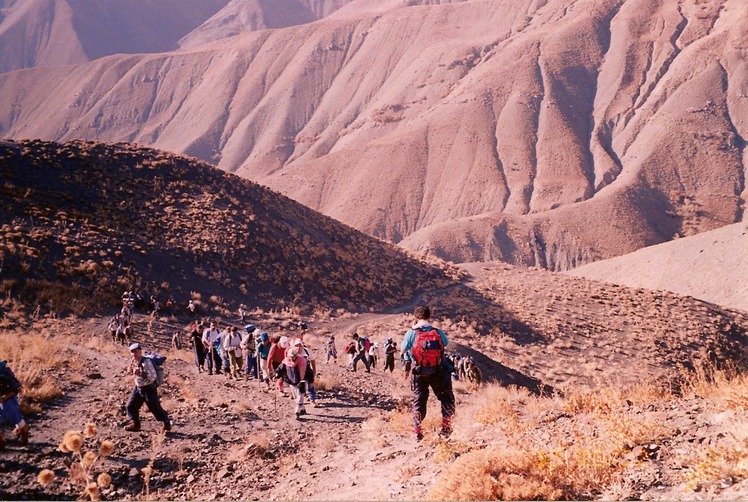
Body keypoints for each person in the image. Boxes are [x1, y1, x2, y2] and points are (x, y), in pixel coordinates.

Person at [401, 306, 455, 441]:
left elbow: (403, 350)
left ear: (416, 318)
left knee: (419, 400)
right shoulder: (436, 331)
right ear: (429, 317)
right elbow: (446, 342)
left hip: (419, 372)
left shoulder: (411, 333)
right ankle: (446, 428)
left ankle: (418, 430)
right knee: (446, 398)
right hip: (437, 371)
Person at [124, 344, 171, 433]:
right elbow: (132, 372)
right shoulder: (134, 361)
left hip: (148, 388)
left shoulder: (146, 362)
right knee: (131, 406)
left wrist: (140, 373)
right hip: (138, 387)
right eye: (133, 352)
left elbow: (152, 377)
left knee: (154, 407)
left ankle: (166, 422)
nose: (134, 354)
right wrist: (130, 371)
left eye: (136, 352)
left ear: (140, 351)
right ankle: (135, 424)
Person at [274, 346, 309, 419]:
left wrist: (310, 381)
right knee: (297, 397)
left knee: (300, 397)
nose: (292, 358)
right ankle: (303, 409)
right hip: (291, 382)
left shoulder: (302, 361)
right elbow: (280, 369)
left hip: (301, 382)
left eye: (293, 356)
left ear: (296, 355)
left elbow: (309, 372)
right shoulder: (286, 361)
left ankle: (297, 412)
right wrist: (276, 375)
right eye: (290, 356)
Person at [0, 360, 28, 449]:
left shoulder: (4, 372)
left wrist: (4, 398)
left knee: (15, 418)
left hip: (8, 400)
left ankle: (24, 437)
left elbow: (15, 388)